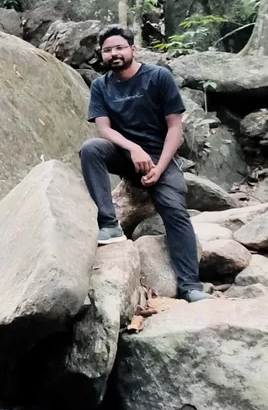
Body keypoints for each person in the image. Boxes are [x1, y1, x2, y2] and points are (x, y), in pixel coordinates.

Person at [80, 25, 209, 303]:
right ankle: (109, 224)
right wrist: (133, 147)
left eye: (119, 47)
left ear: (132, 50)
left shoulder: (158, 77)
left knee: (175, 211)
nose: (113, 53)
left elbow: (176, 128)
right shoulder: (101, 86)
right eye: (107, 50)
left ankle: (191, 286)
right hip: (125, 154)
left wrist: (160, 167)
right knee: (90, 149)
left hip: (159, 156)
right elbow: (103, 129)